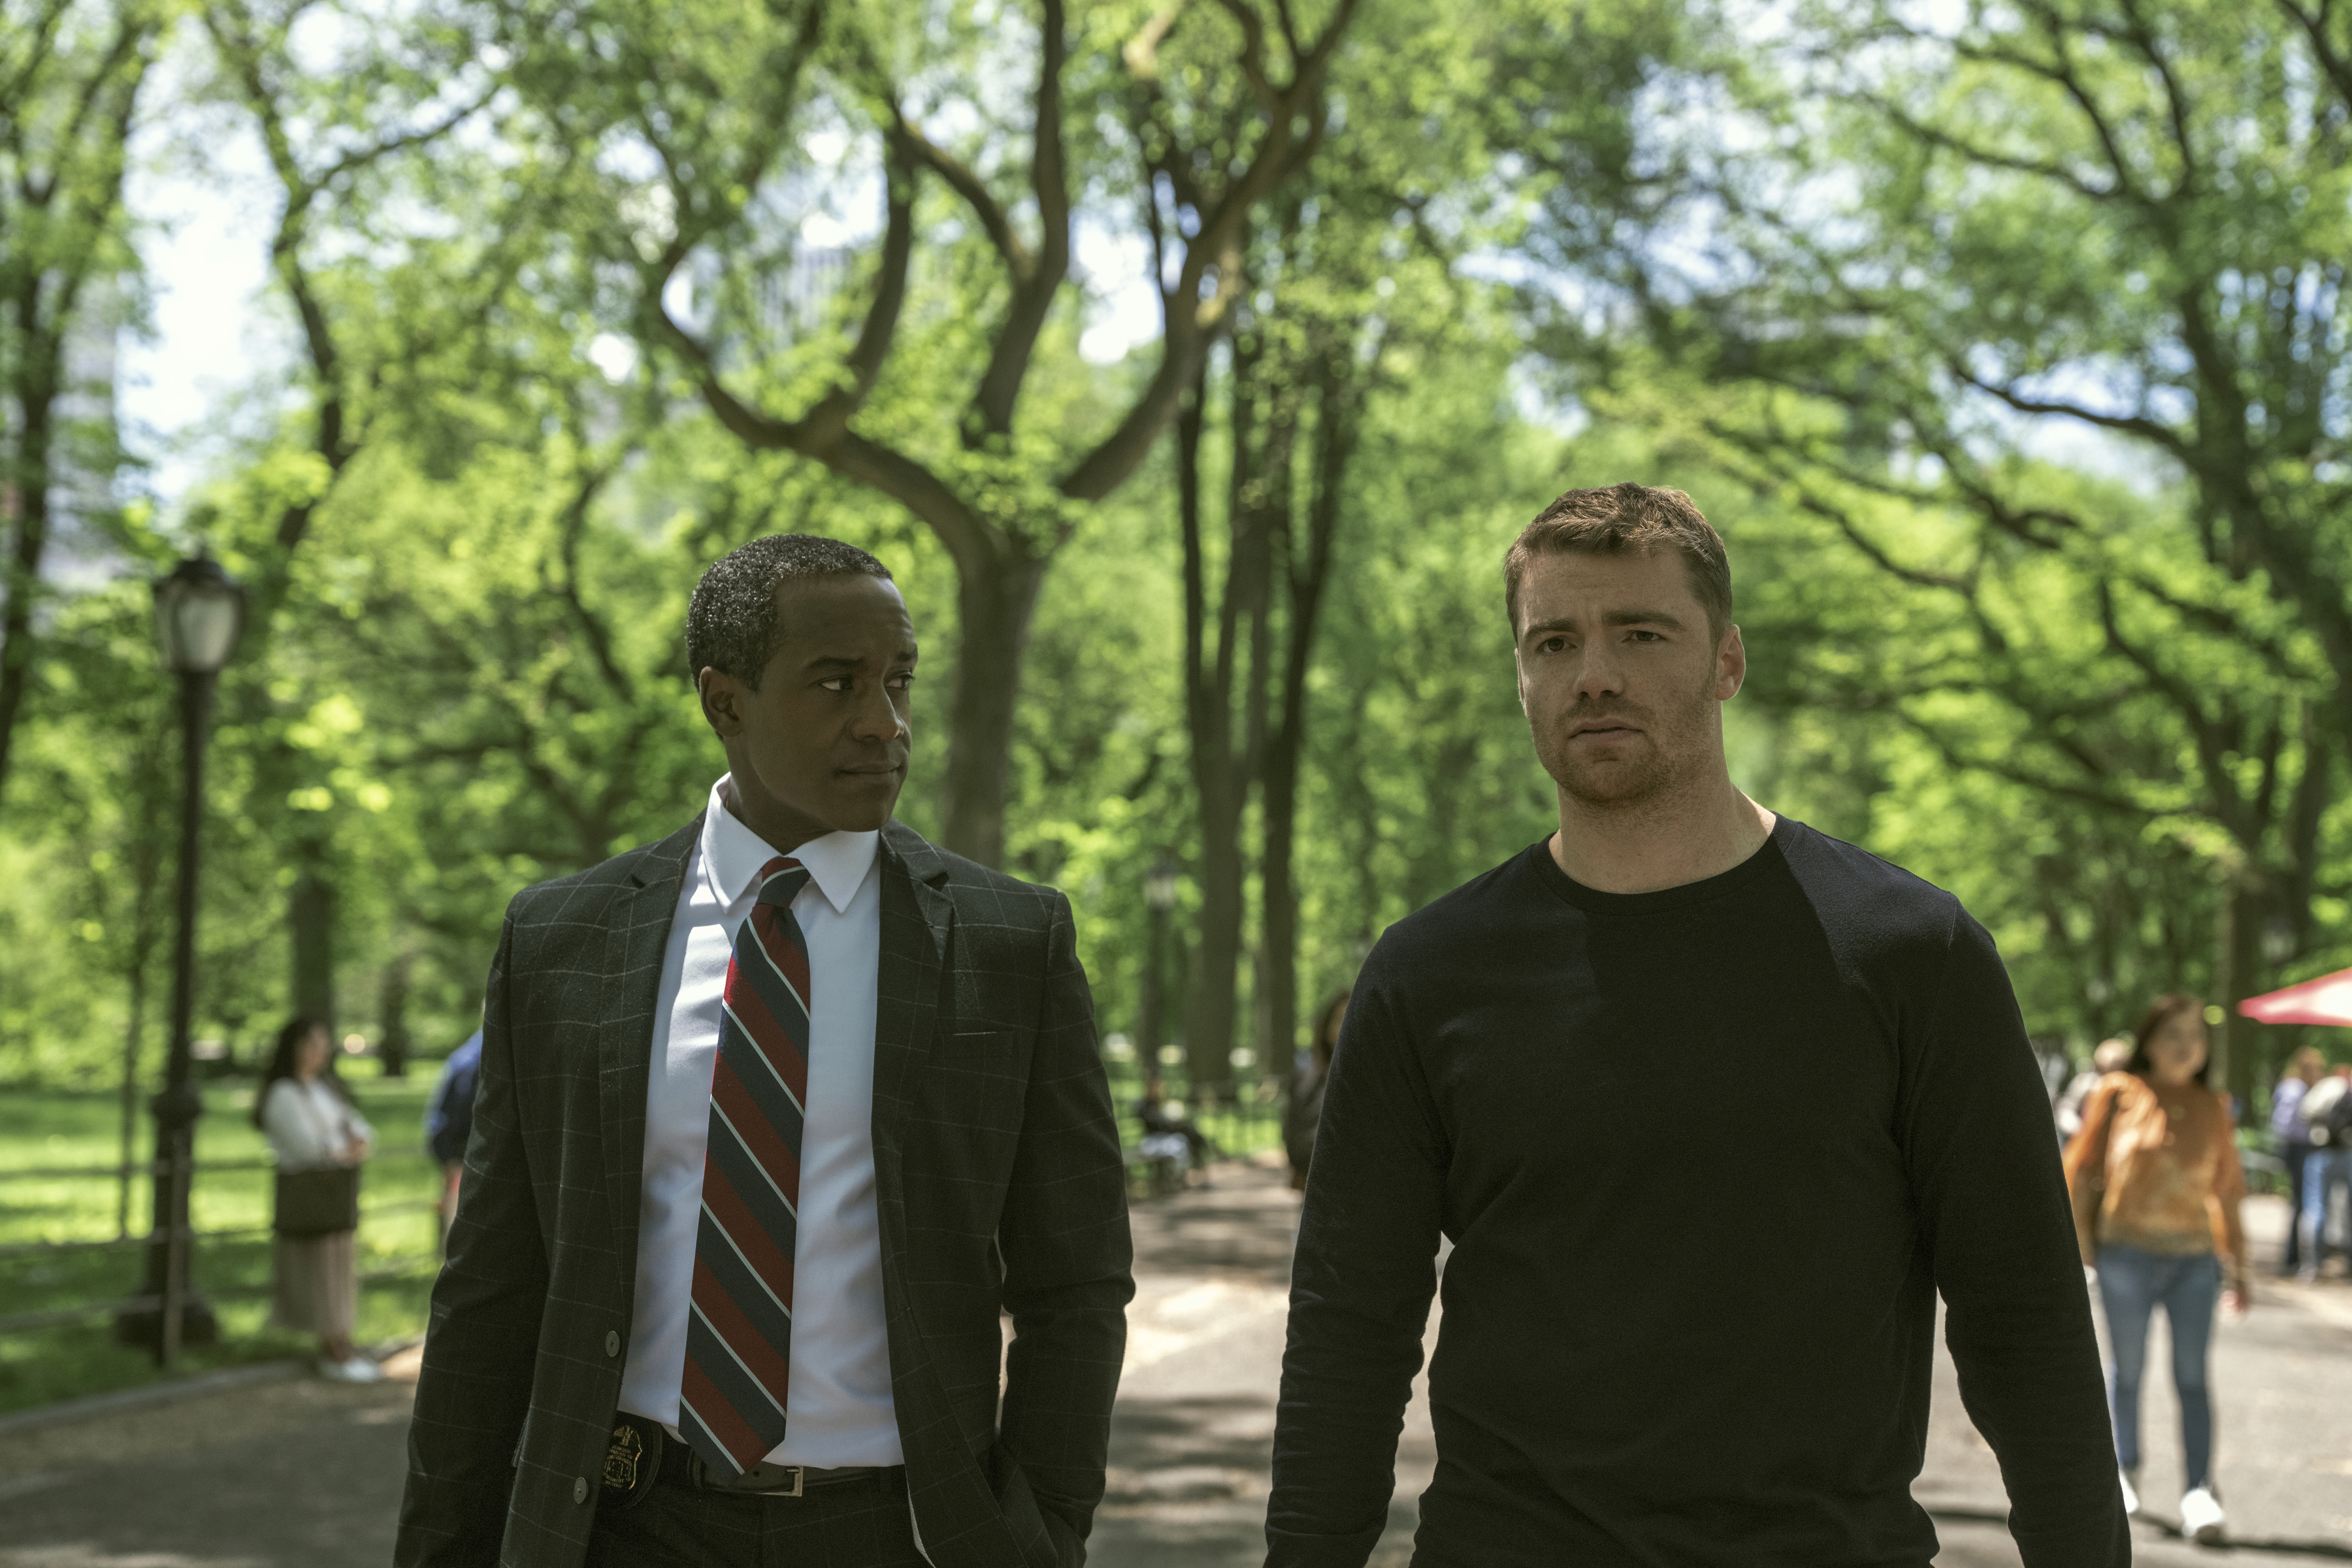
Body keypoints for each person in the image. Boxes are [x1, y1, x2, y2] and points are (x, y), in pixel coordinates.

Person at [1266, 483, 2125, 1568]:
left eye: (1641, 632)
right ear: (1523, 678)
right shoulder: (1429, 975)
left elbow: (2025, 1318)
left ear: (1727, 661)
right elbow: (1349, 1334)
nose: (1596, 674)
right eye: (1555, 641)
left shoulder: (1913, 954)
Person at [399, 536, 1132, 1568]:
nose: (885, 723)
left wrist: (1040, 1531)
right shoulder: (564, 941)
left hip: (897, 1534)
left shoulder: (1011, 946)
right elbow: (489, 1291)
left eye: (898, 681)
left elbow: (1078, 1282)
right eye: (837, 683)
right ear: (725, 701)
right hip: (623, 1523)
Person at [2064, 993, 2249, 1544]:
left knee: (2192, 1378)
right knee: (2129, 1369)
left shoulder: (2215, 1106)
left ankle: (2198, 1491)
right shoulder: (2119, 1092)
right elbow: (2079, 1168)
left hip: (2195, 1260)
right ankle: (2122, 1472)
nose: (2185, 1045)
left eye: (2196, 1035)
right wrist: (2080, 1246)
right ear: (2148, 1040)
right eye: (2172, 1033)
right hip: (2126, 1256)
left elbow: (2230, 1190)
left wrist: (2239, 1268)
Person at [255, 1016, 378, 1383]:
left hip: (334, 1195)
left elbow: (359, 1131)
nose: (319, 1052)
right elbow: (307, 1148)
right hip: (311, 1197)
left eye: (322, 1044)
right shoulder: (283, 1094)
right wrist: (343, 1149)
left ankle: (342, 1341)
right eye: (311, 1044)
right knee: (321, 1271)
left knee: (339, 1267)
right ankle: (332, 1347)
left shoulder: (324, 1089)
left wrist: (344, 1147)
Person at [423, 1027, 482, 1251]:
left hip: (458, 1151)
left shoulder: (469, 1054)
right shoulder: (474, 1059)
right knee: (459, 1222)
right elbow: (456, 1116)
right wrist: (451, 1158)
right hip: (461, 1154)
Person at [1282, 992, 1348, 1190]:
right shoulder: (1307, 1080)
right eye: (1340, 1020)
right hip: (1315, 1184)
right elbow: (1291, 1129)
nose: (1346, 1028)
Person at [2274, 1046, 2327, 1274]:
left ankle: (2294, 1255)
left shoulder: (2295, 1087)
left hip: (2298, 1148)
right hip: (2298, 1148)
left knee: (2300, 1202)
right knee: (2300, 1203)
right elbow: (2285, 1123)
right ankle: (2292, 1256)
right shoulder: (2295, 1089)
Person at [2056, 1036, 2133, 1141]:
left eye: (2118, 1064)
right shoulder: (2086, 1082)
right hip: (2082, 1139)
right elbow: (2066, 1110)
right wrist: (2082, 1131)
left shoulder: (2128, 1085)